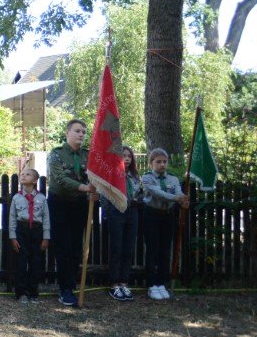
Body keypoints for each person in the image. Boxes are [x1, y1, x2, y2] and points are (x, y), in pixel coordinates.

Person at [47, 118, 96, 307]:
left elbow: (94, 177)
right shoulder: (56, 154)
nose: (81, 135)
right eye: (77, 131)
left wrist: (95, 190)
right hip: (59, 204)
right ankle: (64, 289)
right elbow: (59, 178)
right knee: (63, 246)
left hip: (79, 205)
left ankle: (72, 284)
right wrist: (84, 188)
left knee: (76, 247)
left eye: (84, 132)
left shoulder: (88, 155)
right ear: (67, 133)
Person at [139, 147, 189, 301]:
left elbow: (178, 192)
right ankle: (152, 284)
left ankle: (161, 283)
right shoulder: (147, 178)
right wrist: (176, 199)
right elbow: (158, 193)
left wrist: (183, 198)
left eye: (164, 162)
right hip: (151, 215)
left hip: (167, 216)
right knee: (152, 249)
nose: (162, 164)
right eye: (158, 162)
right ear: (151, 163)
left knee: (165, 250)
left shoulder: (173, 179)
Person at [103, 146, 141, 302]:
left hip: (132, 211)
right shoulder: (112, 174)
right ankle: (114, 284)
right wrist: (106, 212)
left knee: (128, 247)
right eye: (123, 156)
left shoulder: (135, 176)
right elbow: (105, 195)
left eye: (129, 156)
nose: (126, 158)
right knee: (116, 247)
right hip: (116, 210)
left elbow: (139, 193)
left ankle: (124, 282)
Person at [8, 166, 50, 303]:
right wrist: (13, 237)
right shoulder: (16, 198)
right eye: (22, 174)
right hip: (22, 230)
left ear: (35, 180)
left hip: (37, 232)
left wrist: (46, 237)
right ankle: (21, 293)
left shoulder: (42, 198)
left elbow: (46, 219)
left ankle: (33, 292)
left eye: (27, 174)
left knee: (35, 262)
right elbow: (12, 218)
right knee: (21, 262)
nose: (23, 176)